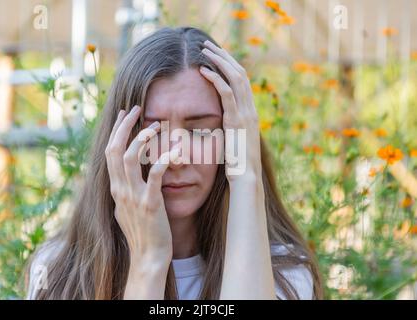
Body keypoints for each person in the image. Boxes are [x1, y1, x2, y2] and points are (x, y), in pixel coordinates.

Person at [25, 26, 323, 300]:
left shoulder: (282, 275)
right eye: (154, 129)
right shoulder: (58, 272)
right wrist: (149, 264)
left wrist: (246, 178)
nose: (176, 156)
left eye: (200, 130)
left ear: (233, 137)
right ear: (118, 143)